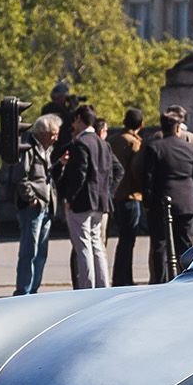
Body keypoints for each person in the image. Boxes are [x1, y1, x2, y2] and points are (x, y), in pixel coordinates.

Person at [59, 104, 121, 289]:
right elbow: (112, 171)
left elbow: (80, 174)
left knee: (83, 246)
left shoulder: (81, 144)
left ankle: (88, 286)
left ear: (79, 119)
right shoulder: (104, 144)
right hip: (100, 201)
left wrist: (69, 197)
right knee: (97, 245)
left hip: (82, 201)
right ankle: (103, 285)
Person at [144, 112, 193, 282]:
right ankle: (188, 279)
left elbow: (148, 178)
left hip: (161, 201)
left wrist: (147, 202)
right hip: (186, 201)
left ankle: (161, 281)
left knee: (160, 245)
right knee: (185, 245)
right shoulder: (190, 148)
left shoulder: (154, 147)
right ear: (178, 129)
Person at [11, 114, 60, 295]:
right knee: (29, 251)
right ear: (42, 133)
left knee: (41, 252)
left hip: (45, 205)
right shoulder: (28, 148)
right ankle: (24, 291)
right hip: (33, 206)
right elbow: (20, 176)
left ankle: (33, 289)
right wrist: (31, 198)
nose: (56, 138)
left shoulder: (46, 148)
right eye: (53, 134)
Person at [109, 107, 144, 287]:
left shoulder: (112, 140)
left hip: (115, 194)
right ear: (141, 125)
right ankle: (125, 279)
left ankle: (118, 277)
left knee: (121, 240)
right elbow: (137, 170)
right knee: (128, 240)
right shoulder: (135, 143)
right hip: (131, 195)